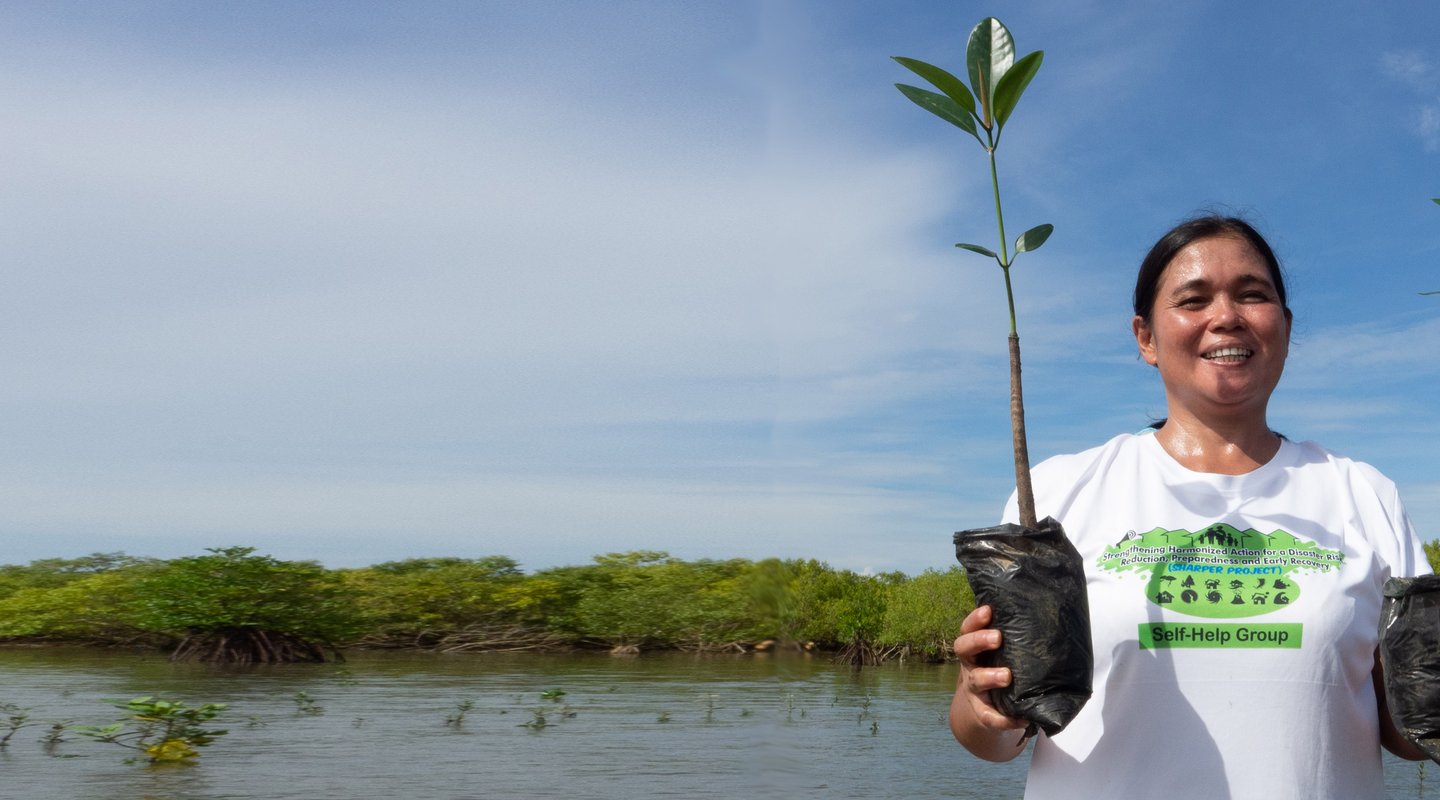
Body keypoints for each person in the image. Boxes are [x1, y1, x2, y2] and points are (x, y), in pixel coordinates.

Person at [948, 215, 1433, 799]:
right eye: (1193, 299)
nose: (1226, 315)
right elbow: (995, 741)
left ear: (1284, 325)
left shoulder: (1365, 495)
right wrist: (983, 704)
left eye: (1253, 295)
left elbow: (1412, 734)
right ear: (1145, 337)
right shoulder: (1058, 494)